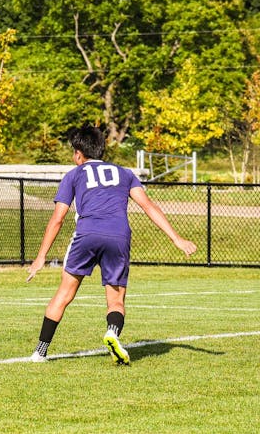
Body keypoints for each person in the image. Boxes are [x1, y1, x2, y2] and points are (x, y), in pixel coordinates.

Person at [26, 125, 197, 364]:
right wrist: (176, 238)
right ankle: (112, 332)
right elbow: (148, 206)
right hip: (118, 235)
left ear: (78, 153)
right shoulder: (125, 173)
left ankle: (40, 352)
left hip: (87, 234)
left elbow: (58, 218)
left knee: (64, 294)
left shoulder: (74, 175)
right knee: (116, 299)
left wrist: (41, 256)